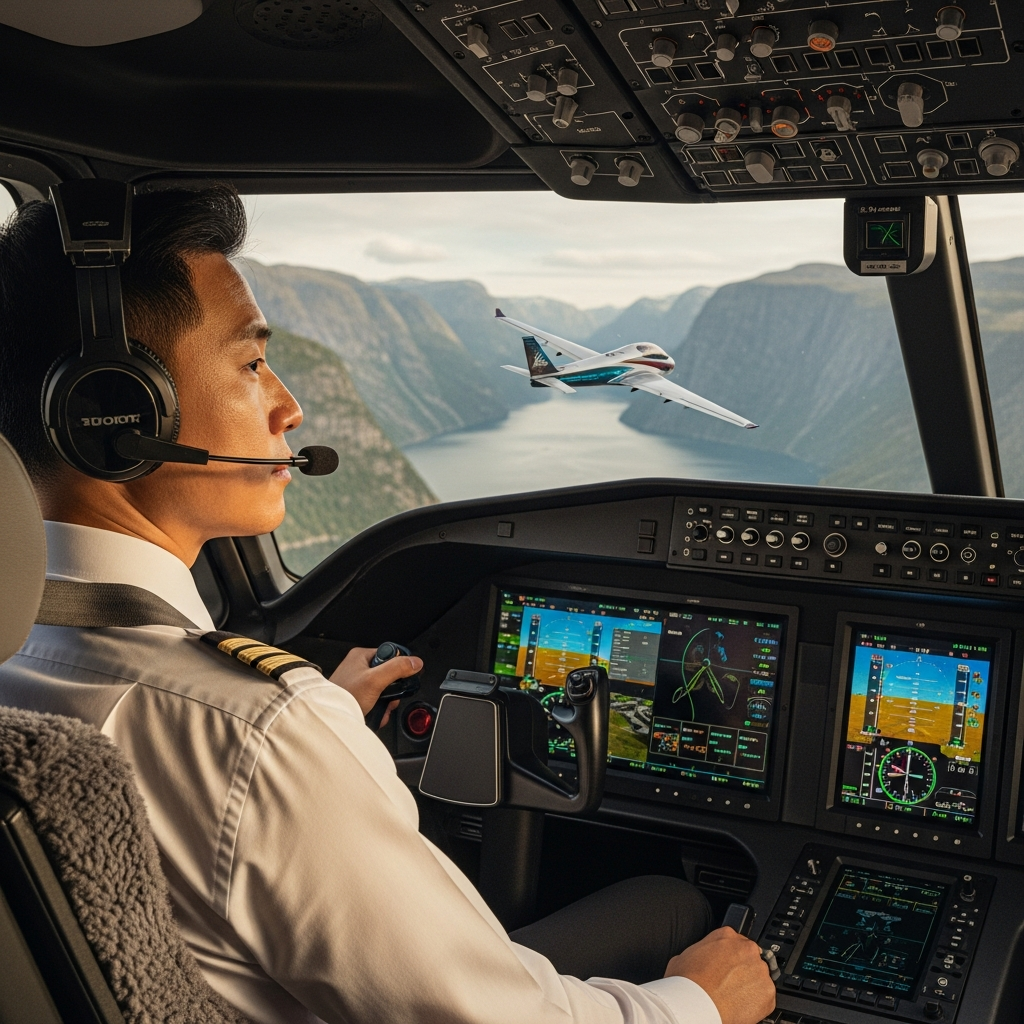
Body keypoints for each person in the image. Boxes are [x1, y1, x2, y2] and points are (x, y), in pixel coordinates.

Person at [0, 187, 776, 1024]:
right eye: (252, 365)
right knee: (677, 908)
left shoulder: (28, 662)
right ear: (114, 412)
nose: (289, 407)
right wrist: (703, 1005)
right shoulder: (257, 735)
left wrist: (321, 722)